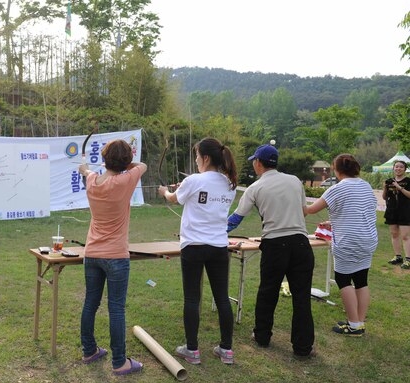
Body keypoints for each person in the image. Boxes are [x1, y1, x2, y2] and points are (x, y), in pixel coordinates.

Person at [227, 144, 315, 358]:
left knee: (268, 292)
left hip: (275, 246)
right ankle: (303, 348)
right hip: (302, 244)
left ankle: (262, 336)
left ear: (258, 163)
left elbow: (235, 219)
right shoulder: (294, 181)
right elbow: (303, 211)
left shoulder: (255, 188)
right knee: (302, 297)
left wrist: (213, 231)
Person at [158, 138, 238, 365]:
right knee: (222, 297)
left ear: (206, 158)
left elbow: (174, 198)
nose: (195, 160)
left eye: (196, 156)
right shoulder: (229, 183)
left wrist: (165, 191)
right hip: (219, 247)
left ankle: (192, 350)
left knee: (192, 298)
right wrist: (182, 189)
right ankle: (226, 349)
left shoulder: (194, 180)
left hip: (193, 246)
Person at [78, 139, 147, 376]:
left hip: (92, 253)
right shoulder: (126, 178)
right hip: (116, 255)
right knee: (116, 308)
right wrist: (126, 163)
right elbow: (143, 165)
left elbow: (87, 171)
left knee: (90, 303)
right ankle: (120, 363)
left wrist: (87, 168)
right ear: (126, 162)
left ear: (105, 160)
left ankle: (89, 351)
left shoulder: (92, 180)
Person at [304, 154, 377, 336]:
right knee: (361, 280)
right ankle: (359, 322)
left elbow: (311, 210)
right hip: (368, 238)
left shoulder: (337, 189)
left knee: (343, 280)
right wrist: (334, 221)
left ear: (336, 170)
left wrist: (292, 200)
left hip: (349, 241)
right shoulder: (366, 186)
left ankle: (353, 324)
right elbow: (357, 211)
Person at [382, 160, 410, 269]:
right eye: (396, 167)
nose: (398, 169)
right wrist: (385, 187)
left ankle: (408, 259)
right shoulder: (389, 181)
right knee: (394, 234)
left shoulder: (408, 181)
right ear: (393, 168)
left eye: (401, 167)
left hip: (405, 211)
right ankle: (398, 257)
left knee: (405, 236)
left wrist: (399, 188)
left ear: (405, 169)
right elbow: (385, 197)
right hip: (392, 211)